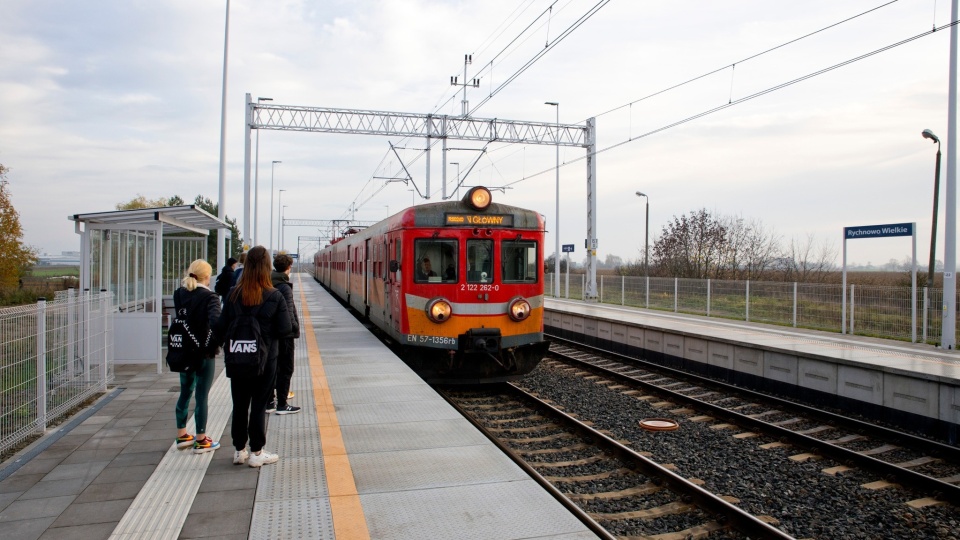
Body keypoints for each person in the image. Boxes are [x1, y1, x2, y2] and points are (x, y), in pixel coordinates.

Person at [216, 246, 292, 468]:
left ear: (246, 267)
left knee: (239, 404)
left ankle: (239, 450)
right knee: (259, 405)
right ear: (266, 268)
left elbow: (220, 327)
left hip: (238, 357)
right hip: (265, 359)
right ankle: (257, 452)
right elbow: (285, 329)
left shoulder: (233, 294)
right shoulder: (274, 295)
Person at [173, 259, 222, 454]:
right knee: (202, 395)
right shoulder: (210, 297)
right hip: (204, 351)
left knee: (185, 391)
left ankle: (182, 435)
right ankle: (201, 439)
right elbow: (216, 322)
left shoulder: (179, 293)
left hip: (183, 350)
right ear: (207, 276)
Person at [267, 253, 301, 415]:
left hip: (270, 334)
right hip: (284, 335)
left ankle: (269, 402)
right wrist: (294, 329)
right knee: (286, 369)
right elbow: (288, 312)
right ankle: (282, 404)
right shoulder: (284, 287)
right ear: (288, 267)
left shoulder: (268, 283)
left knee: (272, 367)